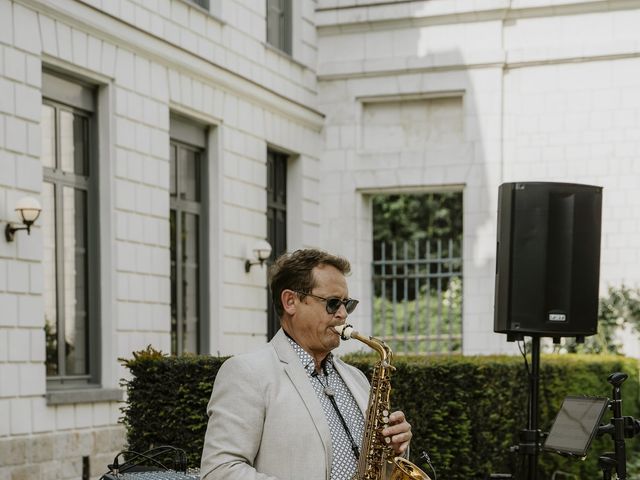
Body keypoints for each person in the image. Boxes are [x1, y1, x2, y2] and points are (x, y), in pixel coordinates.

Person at [200, 248, 413, 480]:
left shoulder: (357, 378)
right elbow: (219, 471)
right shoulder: (247, 373)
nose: (343, 314)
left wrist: (393, 449)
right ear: (290, 301)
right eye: (332, 303)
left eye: (347, 304)